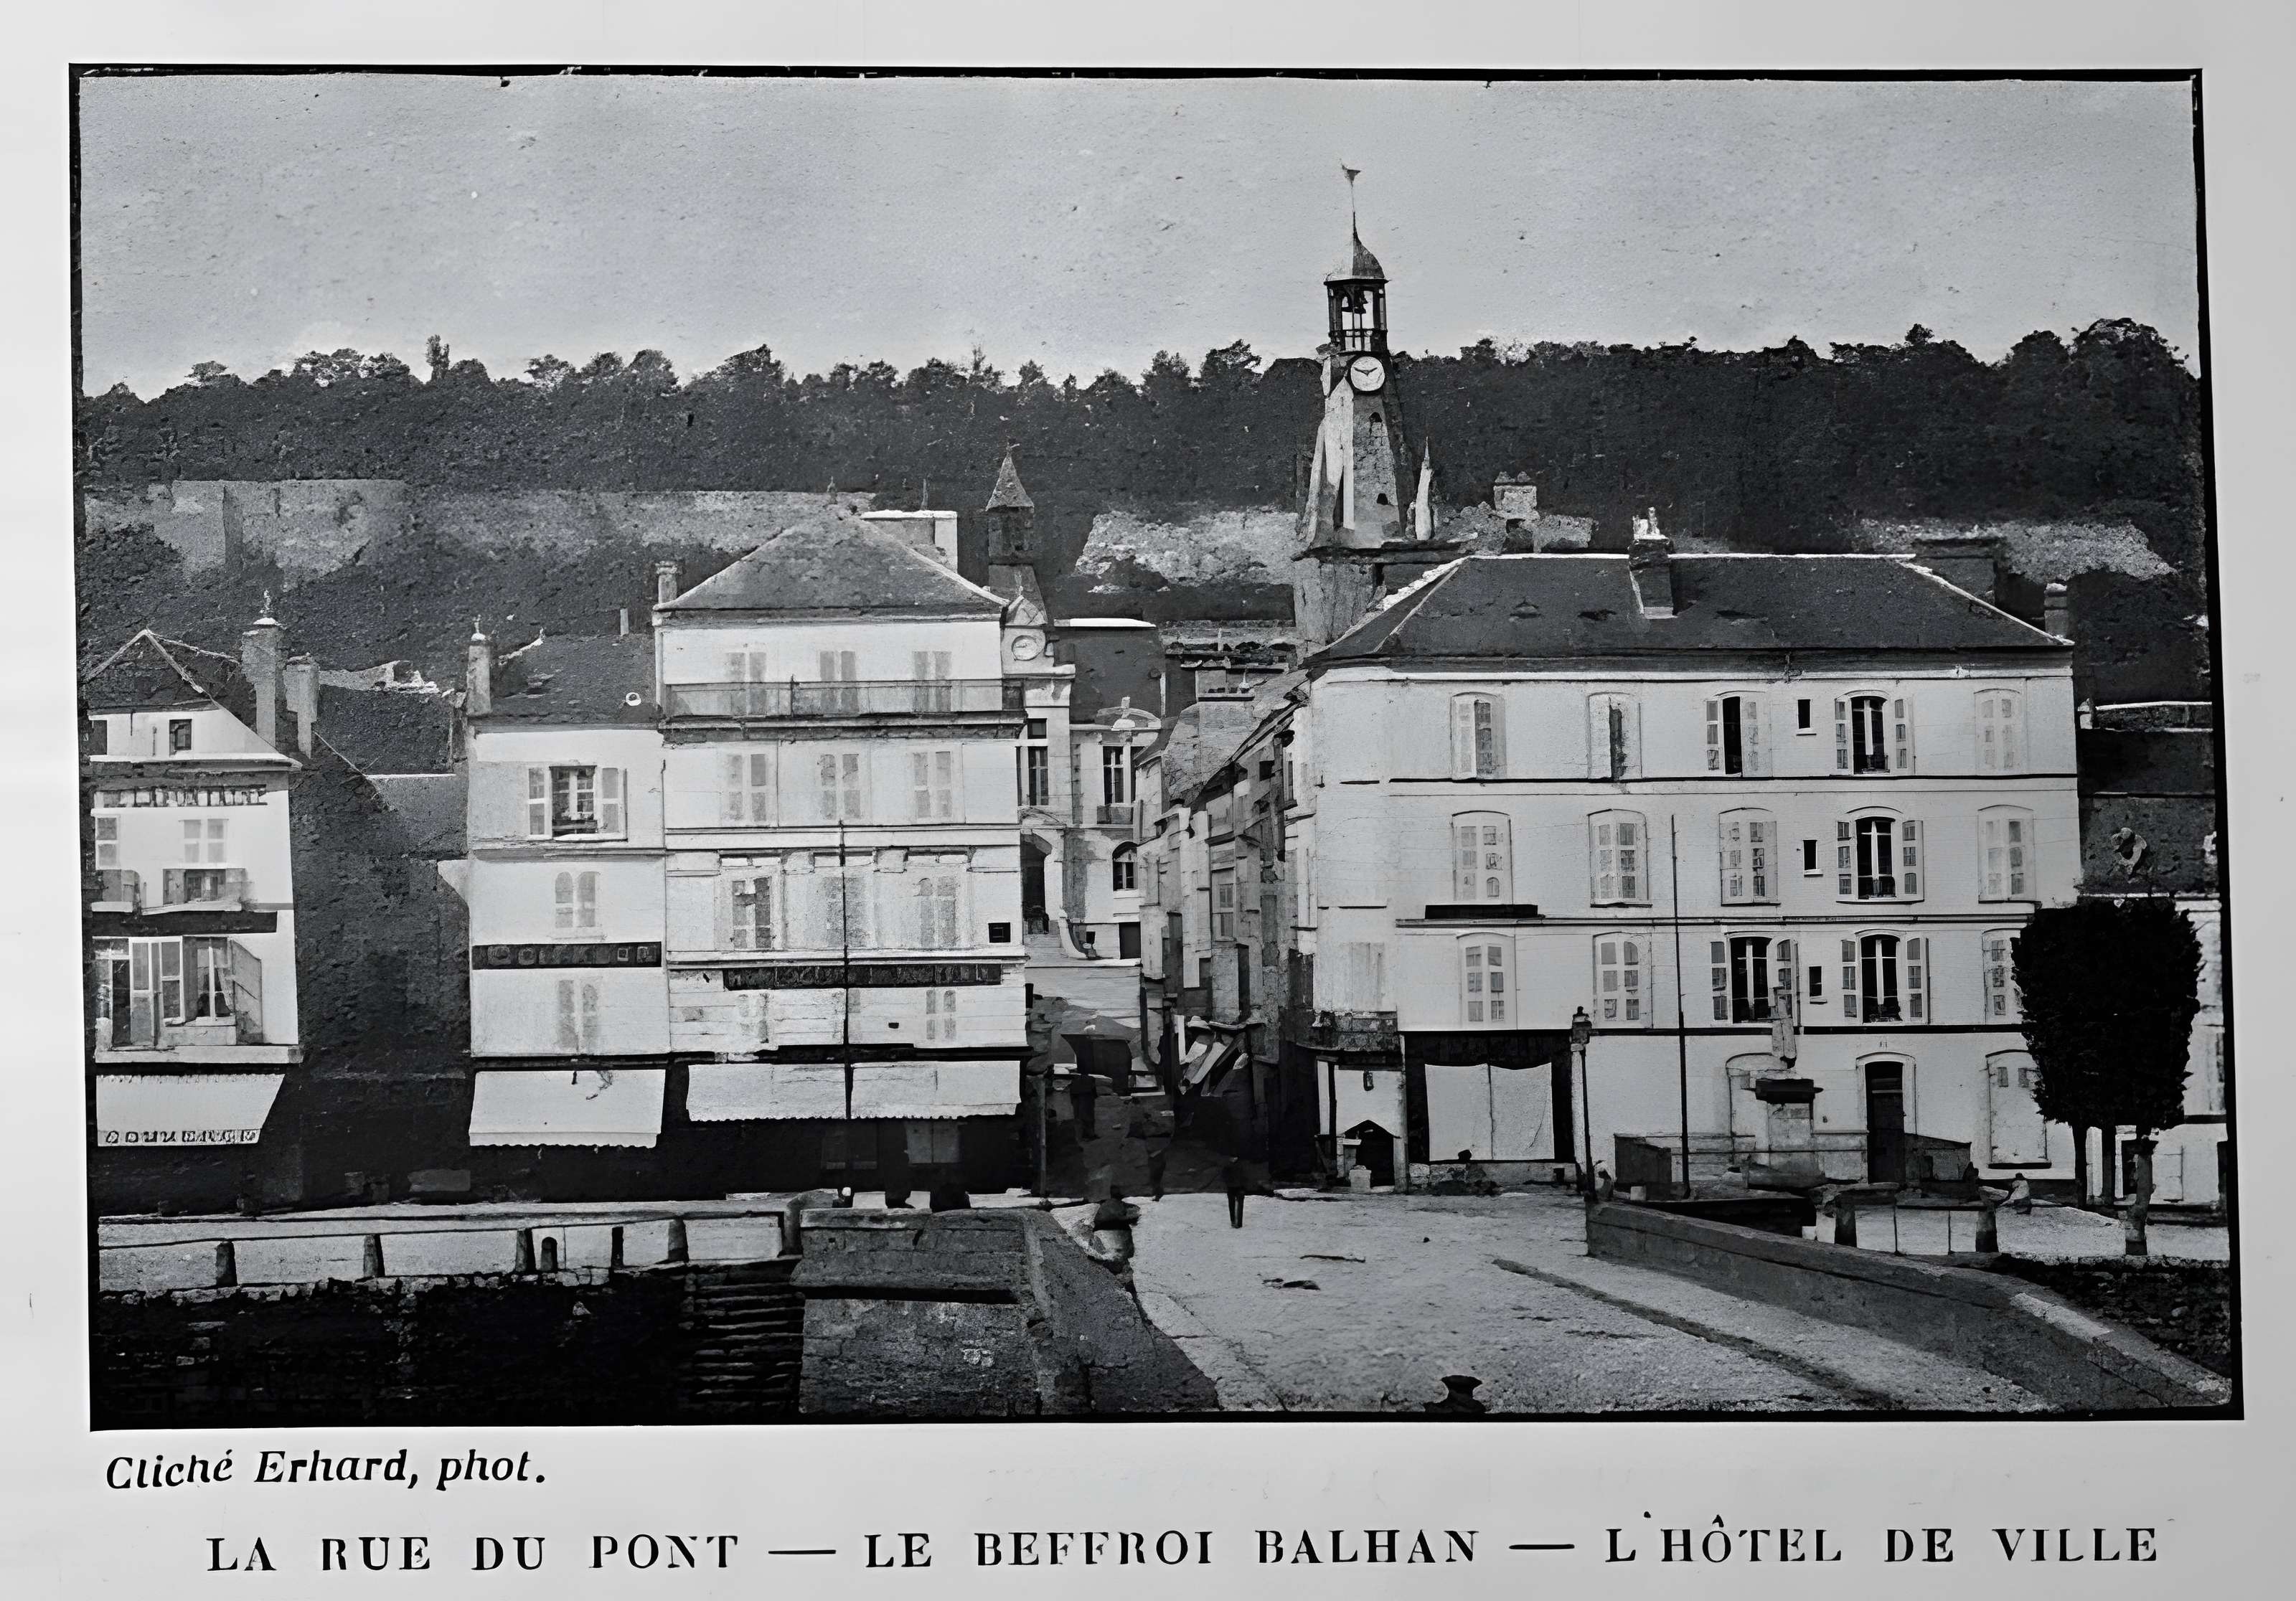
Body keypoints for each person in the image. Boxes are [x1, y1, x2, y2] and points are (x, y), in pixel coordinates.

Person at [1090, 1185, 1142, 1298]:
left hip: (1119, 1242)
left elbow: (1135, 1212)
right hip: (1115, 1243)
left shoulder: (1116, 1205)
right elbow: (1100, 1221)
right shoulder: (1109, 1206)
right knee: (1119, 1270)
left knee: (1122, 1270)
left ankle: (1128, 1293)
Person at [1223, 1155, 1251, 1229]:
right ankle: (1235, 1222)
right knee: (1233, 1206)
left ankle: (1237, 1223)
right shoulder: (1229, 1166)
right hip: (1233, 1188)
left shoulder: (1229, 1166)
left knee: (1236, 1206)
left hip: (1238, 1188)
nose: (1232, 1159)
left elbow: (1246, 1177)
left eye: (1234, 1157)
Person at [1071, 1069, 1098, 1140]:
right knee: (1088, 1116)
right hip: (1087, 1096)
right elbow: (1093, 1090)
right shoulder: (1090, 1078)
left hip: (1078, 1096)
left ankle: (1084, 1135)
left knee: (1080, 1117)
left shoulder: (1075, 1079)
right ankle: (1090, 1134)